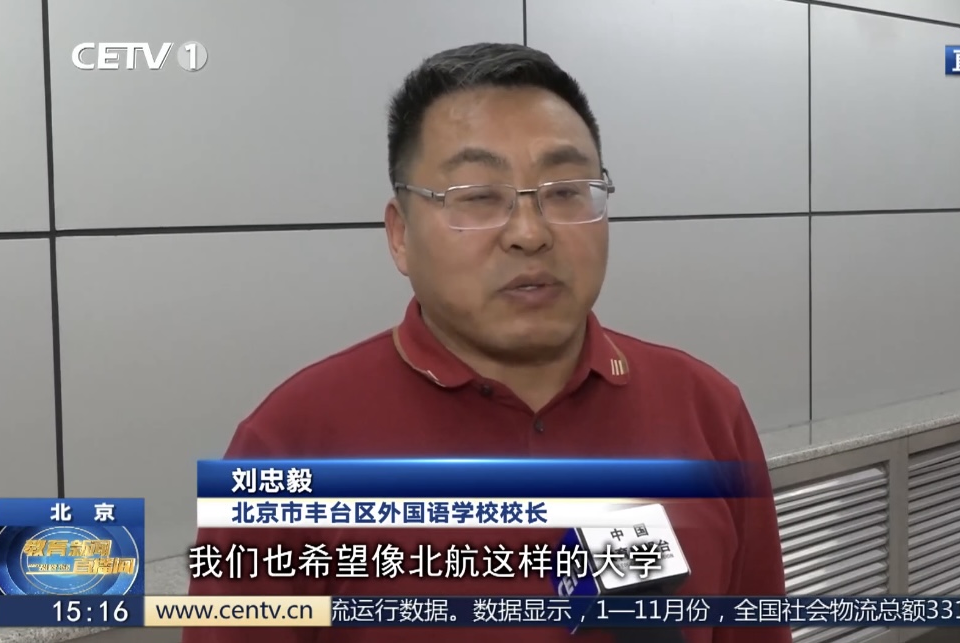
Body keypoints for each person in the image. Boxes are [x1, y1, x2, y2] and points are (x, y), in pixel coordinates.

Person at [184, 43, 791, 643]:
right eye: (477, 197)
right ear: (400, 235)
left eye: (565, 190)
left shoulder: (705, 410)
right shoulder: (289, 447)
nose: (530, 233)